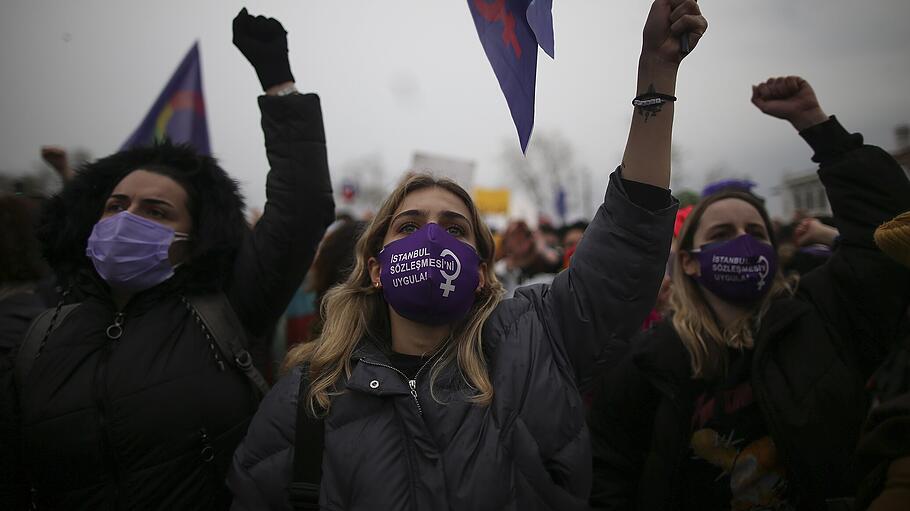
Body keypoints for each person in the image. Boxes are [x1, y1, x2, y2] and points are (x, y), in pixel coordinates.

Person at [227, 1, 706, 509]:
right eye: (409, 226)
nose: (431, 239)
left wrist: (656, 74)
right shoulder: (308, 397)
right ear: (374, 269)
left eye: (454, 228)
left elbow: (626, 243)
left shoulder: (536, 343)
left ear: (480, 271)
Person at [0, 8, 334, 510]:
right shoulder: (40, 334)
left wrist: (279, 85)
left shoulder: (226, 309)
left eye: (155, 211)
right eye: (116, 206)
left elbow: (302, 207)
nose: (127, 218)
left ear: (193, 236)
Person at [588, 76, 910, 510]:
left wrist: (816, 125)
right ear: (689, 260)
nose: (744, 241)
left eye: (756, 232)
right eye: (723, 233)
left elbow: (887, 237)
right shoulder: (649, 362)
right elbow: (610, 473)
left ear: (774, 254)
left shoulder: (824, 318)